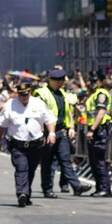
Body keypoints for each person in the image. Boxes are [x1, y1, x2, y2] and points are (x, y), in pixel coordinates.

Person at [0, 81, 55, 207]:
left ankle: (27, 194)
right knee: (22, 168)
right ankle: (21, 193)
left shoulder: (38, 103)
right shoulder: (10, 105)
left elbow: (49, 119)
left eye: (26, 94)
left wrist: (52, 134)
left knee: (31, 170)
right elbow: (0, 125)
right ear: (17, 94)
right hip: (18, 145)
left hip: (35, 145)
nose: (24, 97)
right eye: (21, 95)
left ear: (30, 93)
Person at [33, 69, 91, 197]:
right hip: (48, 132)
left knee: (65, 159)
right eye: (61, 81)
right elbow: (37, 114)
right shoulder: (41, 93)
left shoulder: (62, 93)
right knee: (47, 162)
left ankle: (76, 186)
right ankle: (47, 189)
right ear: (56, 81)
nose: (63, 83)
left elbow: (67, 111)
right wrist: (42, 132)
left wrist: (70, 127)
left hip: (61, 131)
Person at [84, 73, 112, 197]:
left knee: (99, 161)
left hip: (99, 130)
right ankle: (99, 187)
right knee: (94, 161)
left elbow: (101, 113)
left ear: (101, 81)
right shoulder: (94, 94)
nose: (93, 82)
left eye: (95, 80)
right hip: (95, 130)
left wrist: (92, 129)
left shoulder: (101, 94)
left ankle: (104, 188)